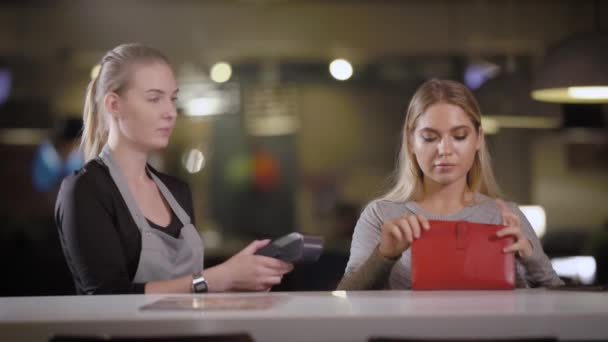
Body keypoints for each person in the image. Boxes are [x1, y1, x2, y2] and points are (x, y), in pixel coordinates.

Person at [55, 43, 293, 295]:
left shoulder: (177, 191)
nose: (170, 112)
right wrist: (220, 277)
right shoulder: (85, 190)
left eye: (173, 98)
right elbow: (107, 297)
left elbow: (192, 295)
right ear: (114, 105)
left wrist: (239, 280)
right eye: (154, 98)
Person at [337, 79, 563, 290]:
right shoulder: (381, 215)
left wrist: (531, 259)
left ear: (478, 139)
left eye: (459, 136)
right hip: (408, 333)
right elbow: (344, 298)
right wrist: (384, 255)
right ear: (410, 141)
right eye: (430, 137)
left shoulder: (506, 217)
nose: (445, 149)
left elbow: (561, 300)